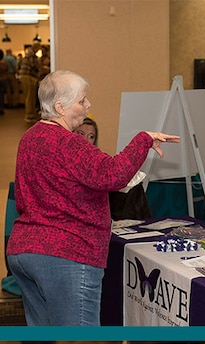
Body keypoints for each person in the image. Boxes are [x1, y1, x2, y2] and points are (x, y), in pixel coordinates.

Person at [7, 70, 178, 326]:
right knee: (80, 338)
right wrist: (143, 139)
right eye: (82, 100)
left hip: (25, 251)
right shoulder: (69, 143)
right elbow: (112, 175)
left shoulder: (29, 138)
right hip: (66, 253)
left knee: (43, 332)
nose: (88, 105)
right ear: (60, 107)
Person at [74, 116, 154, 220]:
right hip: (81, 204)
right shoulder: (66, 158)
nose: (86, 140)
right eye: (81, 134)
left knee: (133, 185)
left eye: (91, 137)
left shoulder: (98, 159)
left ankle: (139, 227)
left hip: (103, 202)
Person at [18, 43, 40, 122]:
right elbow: (34, 65)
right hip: (28, 76)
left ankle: (31, 114)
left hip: (25, 76)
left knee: (29, 96)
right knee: (30, 97)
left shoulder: (28, 54)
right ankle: (29, 115)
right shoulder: (32, 55)